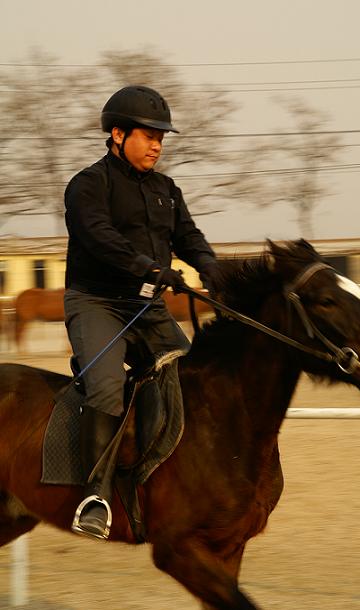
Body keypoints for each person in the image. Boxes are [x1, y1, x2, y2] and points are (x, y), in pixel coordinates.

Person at [64, 85, 218, 540]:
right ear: (117, 134)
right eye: (148, 135)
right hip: (97, 302)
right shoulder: (87, 185)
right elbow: (99, 237)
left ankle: (168, 481)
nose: (157, 145)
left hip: (146, 306)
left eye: (161, 137)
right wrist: (149, 267)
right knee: (109, 387)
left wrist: (212, 268)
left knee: (190, 381)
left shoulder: (167, 189)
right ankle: (95, 496)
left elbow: (189, 236)